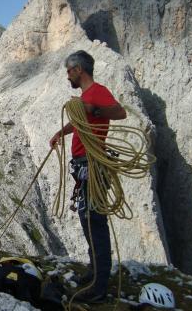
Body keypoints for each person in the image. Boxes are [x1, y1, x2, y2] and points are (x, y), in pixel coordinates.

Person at [49, 50, 127, 303]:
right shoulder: (85, 97)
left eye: (69, 71)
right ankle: (95, 273)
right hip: (83, 166)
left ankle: (99, 286)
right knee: (87, 219)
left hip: (93, 165)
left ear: (79, 70)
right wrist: (62, 132)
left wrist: (94, 110)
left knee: (95, 222)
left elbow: (119, 112)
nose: (67, 76)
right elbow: (81, 120)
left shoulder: (97, 92)